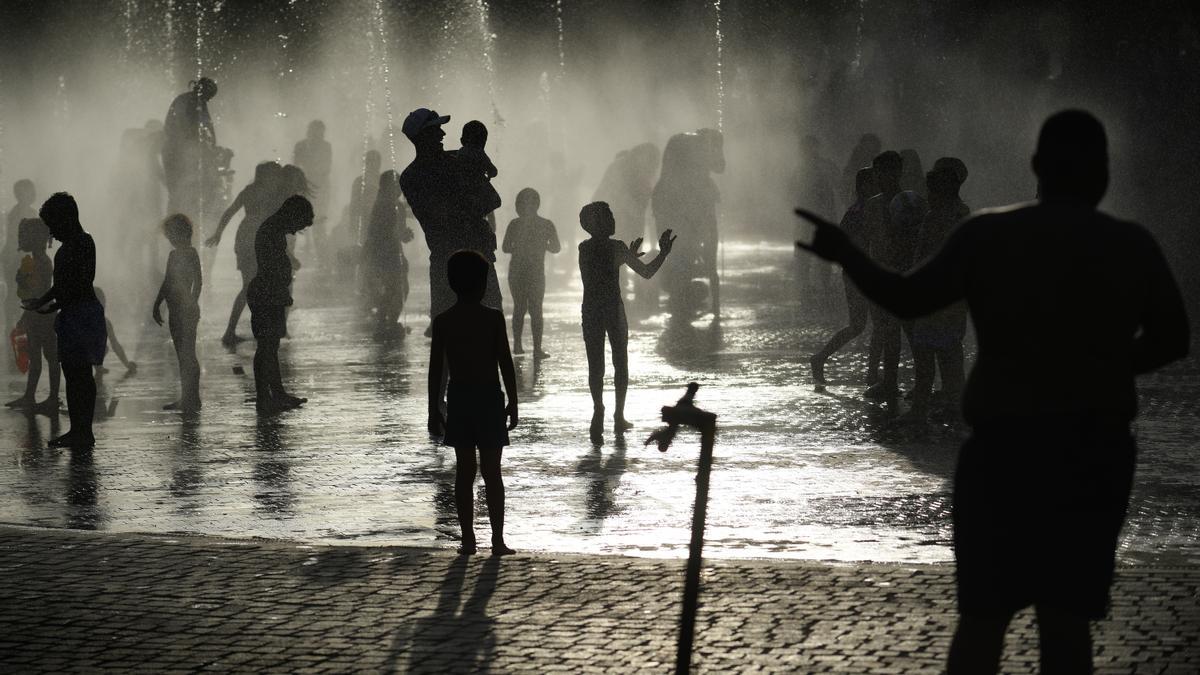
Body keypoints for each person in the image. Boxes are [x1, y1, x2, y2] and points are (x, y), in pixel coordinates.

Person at [795, 109, 1190, 674]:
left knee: (983, 619)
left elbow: (907, 298)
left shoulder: (989, 235)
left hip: (1002, 450)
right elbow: (1174, 337)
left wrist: (847, 252)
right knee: (1067, 621)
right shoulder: (1127, 244)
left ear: (1036, 167)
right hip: (1091, 451)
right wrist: (1101, 368)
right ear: (1103, 172)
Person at [428, 250, 519, 556]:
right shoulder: (493, 318)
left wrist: (433, 408)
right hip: (490, 398)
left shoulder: (444, 322)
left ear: (452, 283)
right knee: (493, 472)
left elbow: (436, 370)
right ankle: (497, 540)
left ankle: (468, 539)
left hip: (460, 399)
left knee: (464, 472)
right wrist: (514, 401)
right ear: (483, 283)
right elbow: (505, 362)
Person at [400, 108, 503, 329]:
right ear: (421, 137)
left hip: (459, 258)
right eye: (436, 130)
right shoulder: (430, 172)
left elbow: (493, 200)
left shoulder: (416, 174)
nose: (442, 135)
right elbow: (442, 215)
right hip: (458, 260)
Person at [578, 202, 676, 437]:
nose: (613, 220)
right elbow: (647, 272)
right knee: (620, 363)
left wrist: (625, 257)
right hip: (613, 310)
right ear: (595, 222)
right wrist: (662, 253)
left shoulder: (584, 248)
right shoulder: (617, 248)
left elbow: (598, 270)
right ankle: (618, 416)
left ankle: (598, 410)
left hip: (591, 310)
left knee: (596, 366)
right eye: (608, 216)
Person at [23, 193, 107, 448]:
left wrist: (47, 301)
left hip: (80, 314)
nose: (52, 233)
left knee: (79, 374)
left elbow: (75, 283)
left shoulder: (79, 244)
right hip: (78, 311)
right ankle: (80, 429)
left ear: (67, 219)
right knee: (77, 374)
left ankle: (82, 430)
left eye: (54, 226)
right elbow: (67, 286)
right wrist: (51, 303)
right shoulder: (80, 243)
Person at [907, 158, 971, 418]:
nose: (927, 196)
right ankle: (953, 402)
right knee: (949, 350)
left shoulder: (938, 217)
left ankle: (921, 407)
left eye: (931, 191)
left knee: (925, 351)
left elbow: (924, 257)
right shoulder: (962, 213)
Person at [809, 166, 878, 385]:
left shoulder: (860, 209)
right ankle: (873, 375)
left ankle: (821, 358)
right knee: (872, 325)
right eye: (874, 182)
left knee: (862, 325)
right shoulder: (861, 211)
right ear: (865, 186)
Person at [247, 196, 314, 415]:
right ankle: (263, 397)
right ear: (292, 214)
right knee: (266, 346)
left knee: (271, 346)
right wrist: (280, 290)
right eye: (298, 225)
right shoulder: (271, 231)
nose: (295, 232)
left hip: (270, 294)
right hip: (266, 295)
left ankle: (276, 393)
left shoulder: (273, 229)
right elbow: (270, 267)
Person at [206, 161, 282, 346]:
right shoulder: (270, 194)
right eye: (274, 175)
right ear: (267, 176)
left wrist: (219, 233)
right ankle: (233, 332)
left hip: (247, 236)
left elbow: (229, 212)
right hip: (254, 239)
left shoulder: (250, 191)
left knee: (252, 286)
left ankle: (237, 330)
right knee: (252, 286)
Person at [6, 218, 60, 413]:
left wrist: (24, 281)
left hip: (43, 315)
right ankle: (31, 396)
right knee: (36, 357)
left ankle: (53, 397)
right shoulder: (37, 260)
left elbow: (40, 290)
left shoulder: (42, 262)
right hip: (38, 313)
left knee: (51, 357)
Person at [501, 188, 560, 357]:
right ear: (537, 204)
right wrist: (542, 246)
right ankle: (537, 349)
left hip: (517, 271)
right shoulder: (546, 224)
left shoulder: (514, 224)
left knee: (519, 307)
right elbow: (556, 248)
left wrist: (519, 248)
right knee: (536, 309)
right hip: (536, 272)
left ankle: (518, 346)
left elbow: (505, 248)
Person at [152, 214, 202, 412]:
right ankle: (189, 397)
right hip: (178, 310)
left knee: (186, 355)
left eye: (170, 235)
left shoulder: (189, 254)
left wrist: (191, 303)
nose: (169, 239)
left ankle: (191, 398)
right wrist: (157, 304)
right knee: (184, 355)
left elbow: (198, 281)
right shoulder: (178, 255)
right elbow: (168, 281)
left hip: (183, 310)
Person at [361, 170, 414, 331]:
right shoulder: (386, 205)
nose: (399, 189)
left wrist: (404, 235)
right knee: (396, 288)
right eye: (395, 185)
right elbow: (388, 232)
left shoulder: (392, 204)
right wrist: (403, 234)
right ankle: (387, 321)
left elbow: (397, 233)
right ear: (385, 187)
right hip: (384, 253)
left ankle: (387, 321)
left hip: (390, 252)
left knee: (397, 288)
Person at [161, 77, 218, 222]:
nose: (209, 100)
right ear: (203, 91)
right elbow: (183, 128)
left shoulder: (195, 101)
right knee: (178, 191)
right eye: (208, 96)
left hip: (180, 151)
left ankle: (182, 221)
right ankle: (174, 225)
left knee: (185, 190)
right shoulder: (189, 102)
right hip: (176, 152)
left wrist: (212, 146)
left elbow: (208, 127)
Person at [293, 120, 332, 265]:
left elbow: (327, 167)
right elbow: (295, 165)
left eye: (321, 133)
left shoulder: (326, 146)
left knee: (319, 219)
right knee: (303, 216)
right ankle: (308, 245)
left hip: (321, 187)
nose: (319, 136)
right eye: (316, 132)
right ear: (310, 131)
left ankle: (320, 253)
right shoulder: (301, 146)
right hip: (305, 184)